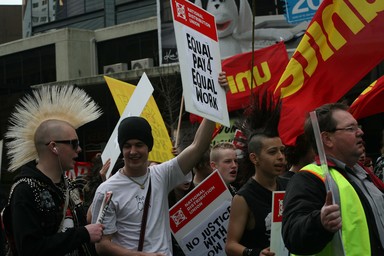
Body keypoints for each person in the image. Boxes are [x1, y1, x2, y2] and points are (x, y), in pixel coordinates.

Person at [91, 73, 228, 256]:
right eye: (127, 146)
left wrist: (216, 99)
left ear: (149, 147)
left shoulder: (161, 174)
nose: (133, 151)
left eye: (139, 145)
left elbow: (198, 146)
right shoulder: (106, 190)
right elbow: (102, 246)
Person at [2, 85, 104, 256]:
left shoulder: (67, 185)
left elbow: (81, 221)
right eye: (73, 143)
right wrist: (83, 234)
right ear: (54, 147)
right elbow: (30, 249)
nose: (79, 150)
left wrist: (101, 190)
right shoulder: (25, 190)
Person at [282, 102, 384, 255]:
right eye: (351, 128)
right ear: (327, 139)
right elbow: (293, 235)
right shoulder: (309, 179)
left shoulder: (363, 175)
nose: (360, 132)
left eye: (358, 127)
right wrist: (319, 223)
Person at [225, 95, 287, 256]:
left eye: (282, 150)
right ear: (255, 158)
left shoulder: (289, 185)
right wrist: (255, 253)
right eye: (273, 152)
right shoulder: (244, 198)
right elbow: (230, 246)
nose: (281, 157)